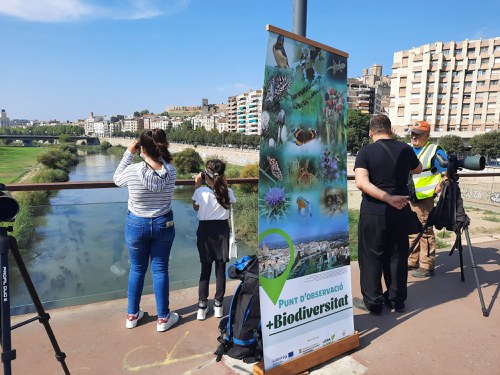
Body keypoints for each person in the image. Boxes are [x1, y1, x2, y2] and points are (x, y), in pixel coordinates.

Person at [354, 115, 422, 314]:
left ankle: (373, 302)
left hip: (374, 211)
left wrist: (386, 197)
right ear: (391, 130)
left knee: (371, 256)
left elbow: (361, 182)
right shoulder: (405, 149)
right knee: (397, 256)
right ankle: (396, 300)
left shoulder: (365, 151)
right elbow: (418, 168)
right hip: (401, 210)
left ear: (371, 133)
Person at [113, 129, 179, 332]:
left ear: (142, 148)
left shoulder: (132, 171)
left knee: (137, 268)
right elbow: (158, 169)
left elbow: (116, 179)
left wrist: (128, 153)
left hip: (136, 224)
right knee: (160, 269)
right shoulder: (171, 171)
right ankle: (163, 318)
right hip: (163, 224)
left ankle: (132, 315)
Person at [192, 159, 236, 320]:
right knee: (220, 270)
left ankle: (202, 306)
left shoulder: (201, 192)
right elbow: (229, 204)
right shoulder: (228, 192)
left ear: (206, 175)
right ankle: (218, 304)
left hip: (205, 231)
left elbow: (195, 207)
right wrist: (224, 184)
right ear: (223, 175)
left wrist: (197, 185)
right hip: (222, 231)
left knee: (205, 269)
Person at [407, 120, 448, 278]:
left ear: (427, 135)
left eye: (418, 134)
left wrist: (436, 190)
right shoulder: (408, 149)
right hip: (408, 196)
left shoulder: (434, 150)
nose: (414, 137)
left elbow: (447, 173)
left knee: (425, 232)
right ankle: (412, 260)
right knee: (410, 230)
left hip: (424, 198)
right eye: (412, 134)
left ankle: (427, 265)